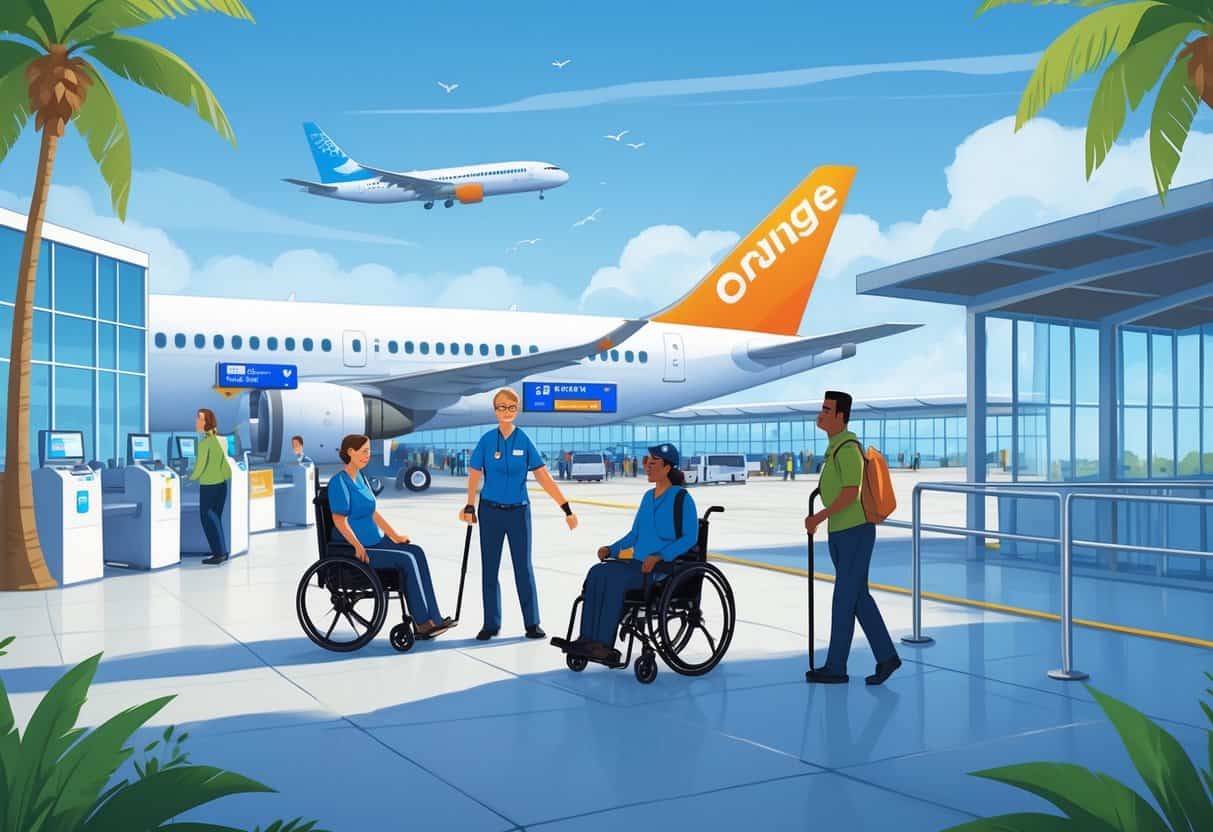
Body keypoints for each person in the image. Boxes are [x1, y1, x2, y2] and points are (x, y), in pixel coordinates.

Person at [461, 388, 577, 640]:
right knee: (489, 569)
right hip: (490, 511)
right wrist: (469, 505)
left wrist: (565, 507)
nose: (505, 412)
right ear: (495, 411)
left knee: (523, 568)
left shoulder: (524, 441)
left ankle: (532, 623)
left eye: (510, 408)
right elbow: (474, 475)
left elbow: (543, 477)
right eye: (501, 407)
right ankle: (491, 623)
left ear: (517, 411)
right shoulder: (486, 441)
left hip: (518, 513)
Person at [565, 444, 698, 663]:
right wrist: (612, 549)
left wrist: (660, 556)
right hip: (638, 563)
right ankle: (586, 639)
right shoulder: (648, 497)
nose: (647, 467)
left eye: (652, 463)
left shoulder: (682, 499)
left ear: (666, 468)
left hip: (662, 568)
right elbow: (634, 535)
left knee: (617, 579)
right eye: (647, 462)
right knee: (597, 572)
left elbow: (689, 537)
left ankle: (603, 644)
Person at [804, 391, 901, 686]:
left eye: (826, 410)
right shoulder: (834, 449)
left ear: (840, 417)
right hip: (842, 533)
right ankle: (887, 657)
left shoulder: (847, 449)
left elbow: (849, 493)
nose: (820, 414)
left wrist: (817, 517)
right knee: (858, 598)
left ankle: (836, 667)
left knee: (844, 599)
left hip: (855, 532)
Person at [330, 434, 452, 639]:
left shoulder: (361, 478)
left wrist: (395, 536)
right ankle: (422, 623)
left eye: (369, 451)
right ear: (350, 452)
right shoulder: (339, 482)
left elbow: (373, 513)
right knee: (406, 559)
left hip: (377, 540)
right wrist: (358, 546)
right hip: (358, 546)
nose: (368, 455)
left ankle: (435, 619)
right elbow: (339, 520)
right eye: (364, 451)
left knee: (416, 551)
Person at [190, 408, 232, 565]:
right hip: (222, 484)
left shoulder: (204, 443)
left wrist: (188, 479)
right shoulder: (222, 440)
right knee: (216, 518)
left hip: (209, 484)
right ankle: (221, 551)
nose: (196, 421)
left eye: (199, 418)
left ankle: (219, 553)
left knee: (207, 516)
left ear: (207, 422)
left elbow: (200, 467)